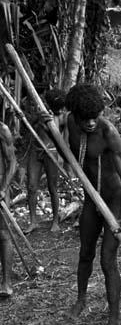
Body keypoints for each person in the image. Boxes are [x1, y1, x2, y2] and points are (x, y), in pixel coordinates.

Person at [64, 83, 121, 325]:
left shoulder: (108, 132)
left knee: (107, 260)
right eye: (86, 119)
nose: (91, 123)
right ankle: (81, 299)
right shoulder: (70, 123)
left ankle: (114, 322)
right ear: (76, 115)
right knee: (85, 253)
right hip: (92, 200)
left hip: (113, 201)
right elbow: (69, 154)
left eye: (96, 116)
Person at [25, 88, 66, 234]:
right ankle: (33, 221)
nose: (59, 110)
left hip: (51, 152)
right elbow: (28, 124)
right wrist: (38, 118)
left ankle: (55, 221)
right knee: (31, 186)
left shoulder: (62, 118)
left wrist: (47, 126)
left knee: (52, 187)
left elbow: (61, 140)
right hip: (36, 151)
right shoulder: (42, 111)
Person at [0, 122, 16, 298]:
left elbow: (12, 161)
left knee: (3, 234)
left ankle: (6, 283)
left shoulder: (2, 130)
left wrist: (3, 188)